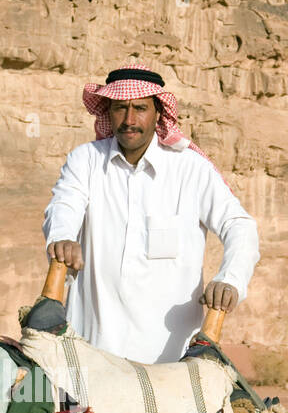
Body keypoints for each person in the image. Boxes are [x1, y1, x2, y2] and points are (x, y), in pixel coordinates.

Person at [42, 62, 260, 364]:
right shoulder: (86, 161)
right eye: (120, 108)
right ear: (108, 111)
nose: (129, 120)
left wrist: (230, 279)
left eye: (140, 108)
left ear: (158, 112)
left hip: (170, 365)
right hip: (92, 354)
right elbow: (63, 205)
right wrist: (63, 236)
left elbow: (239, 226)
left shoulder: (190, 170)